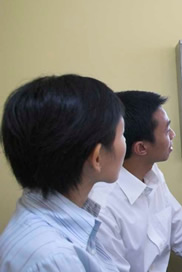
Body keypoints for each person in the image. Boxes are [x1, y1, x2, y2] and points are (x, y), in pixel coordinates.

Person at [88, 90, 182, 272]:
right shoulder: (103, 208)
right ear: (141, 148)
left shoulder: (152, 174)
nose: (173, 135)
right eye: (167, 130)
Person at [0, 74, 125, 271]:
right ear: (98, 157)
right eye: (122, 135)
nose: (124, 142)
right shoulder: (55, 259)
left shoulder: (58, 216)